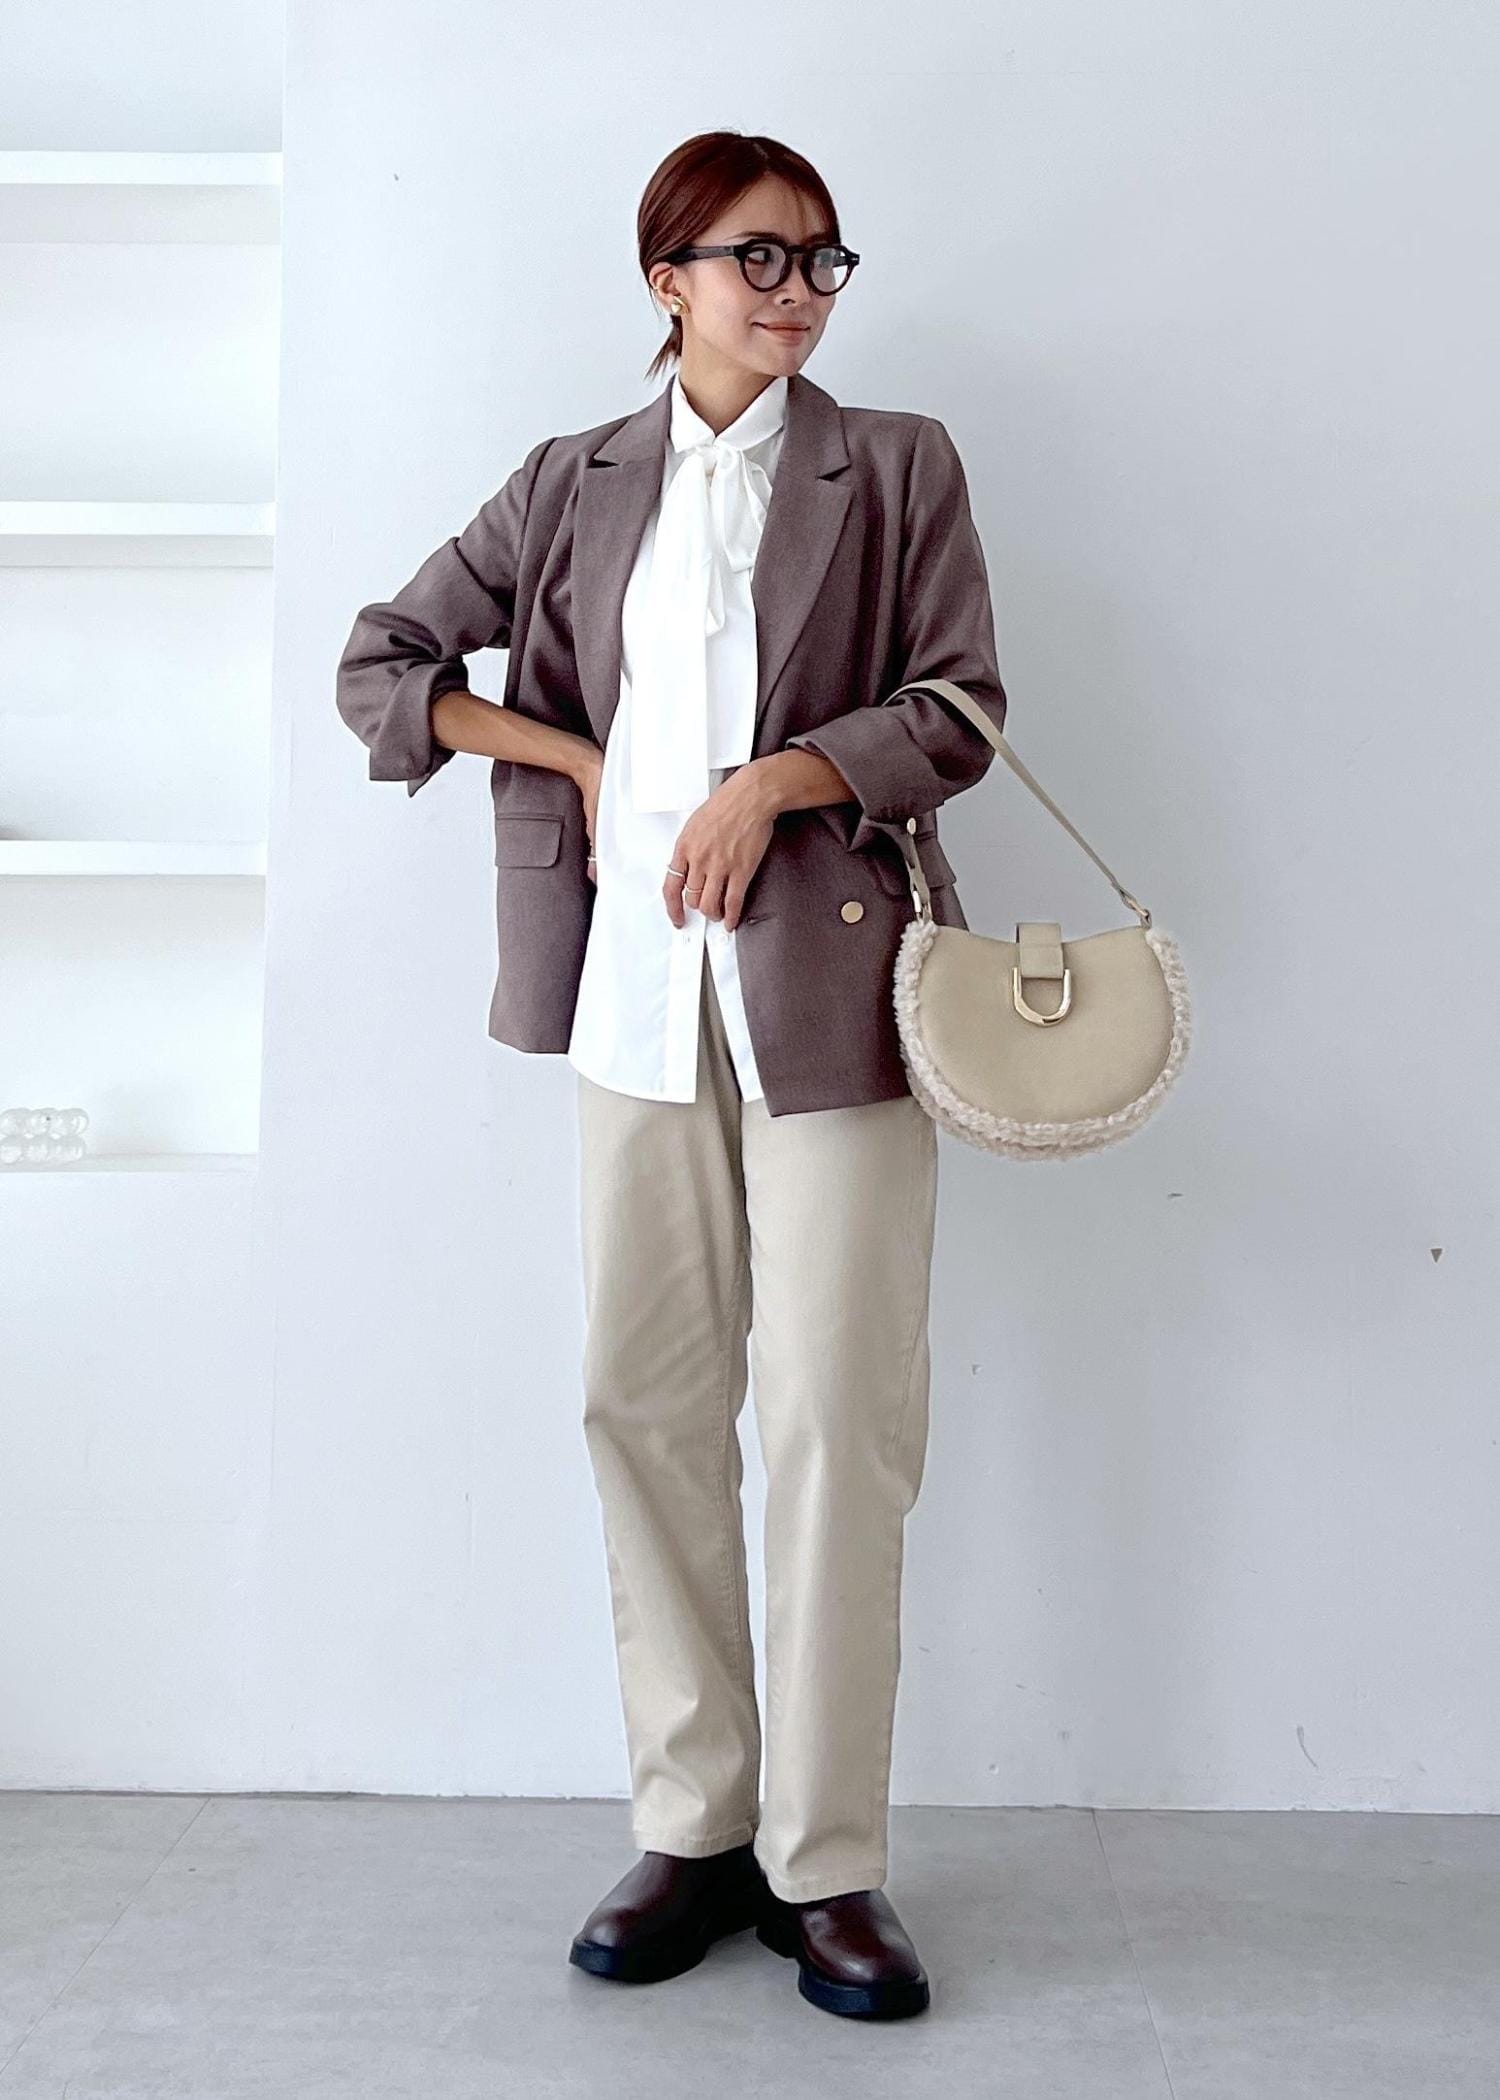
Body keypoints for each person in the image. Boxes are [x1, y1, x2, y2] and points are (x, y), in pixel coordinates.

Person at [335, 128, 1007, 2023]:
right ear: (669, 281)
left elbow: (961, 706)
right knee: (642, 1403)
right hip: (631, 1002)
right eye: (755, 257)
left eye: (820, 259)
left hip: (834, 999)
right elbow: (385, 663)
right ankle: (694, 1823)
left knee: (837, 1419)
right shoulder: (572, 481)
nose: (794, 291)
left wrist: (776, 783)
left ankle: (829, 1861)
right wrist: (567, 758)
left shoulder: (897, 466)